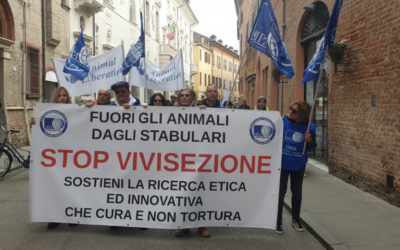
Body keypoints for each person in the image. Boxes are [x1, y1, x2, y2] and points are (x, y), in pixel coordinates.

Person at [29, 87, 77, 230]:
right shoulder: (45, 112)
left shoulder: (76, 112)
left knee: (72, 186)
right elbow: (40, 135)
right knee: (55, 187)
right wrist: (34, 125)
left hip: (71, 156)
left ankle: (73, 215)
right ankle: (54, 216)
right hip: (54, 157)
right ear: (55, 97)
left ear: (68, 98)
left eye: (65, 95)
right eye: (60, 95)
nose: (62, 98)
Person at [275, 101, 316, 235]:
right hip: (282, 163)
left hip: (298, 164)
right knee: (280, 193)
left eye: (295, 111)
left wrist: (309, 140)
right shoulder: (281, 121)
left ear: (302, 115)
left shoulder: (310, 127)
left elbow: (312, 148)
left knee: (297, 193)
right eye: (291, 108)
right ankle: (277, 221)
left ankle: (295, 219)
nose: (291, 111)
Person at [173, 87, 209, 238]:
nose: (184, 98)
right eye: (182, 95)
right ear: (178, 98)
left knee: (199, 192)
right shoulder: (169, 113)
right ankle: (183, 225)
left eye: (187, 95)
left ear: (192, 97)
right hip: (177, 160)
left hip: (197, 160)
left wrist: (204, 111)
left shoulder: (200, 111)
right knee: (181, 193)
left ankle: (201, 225)